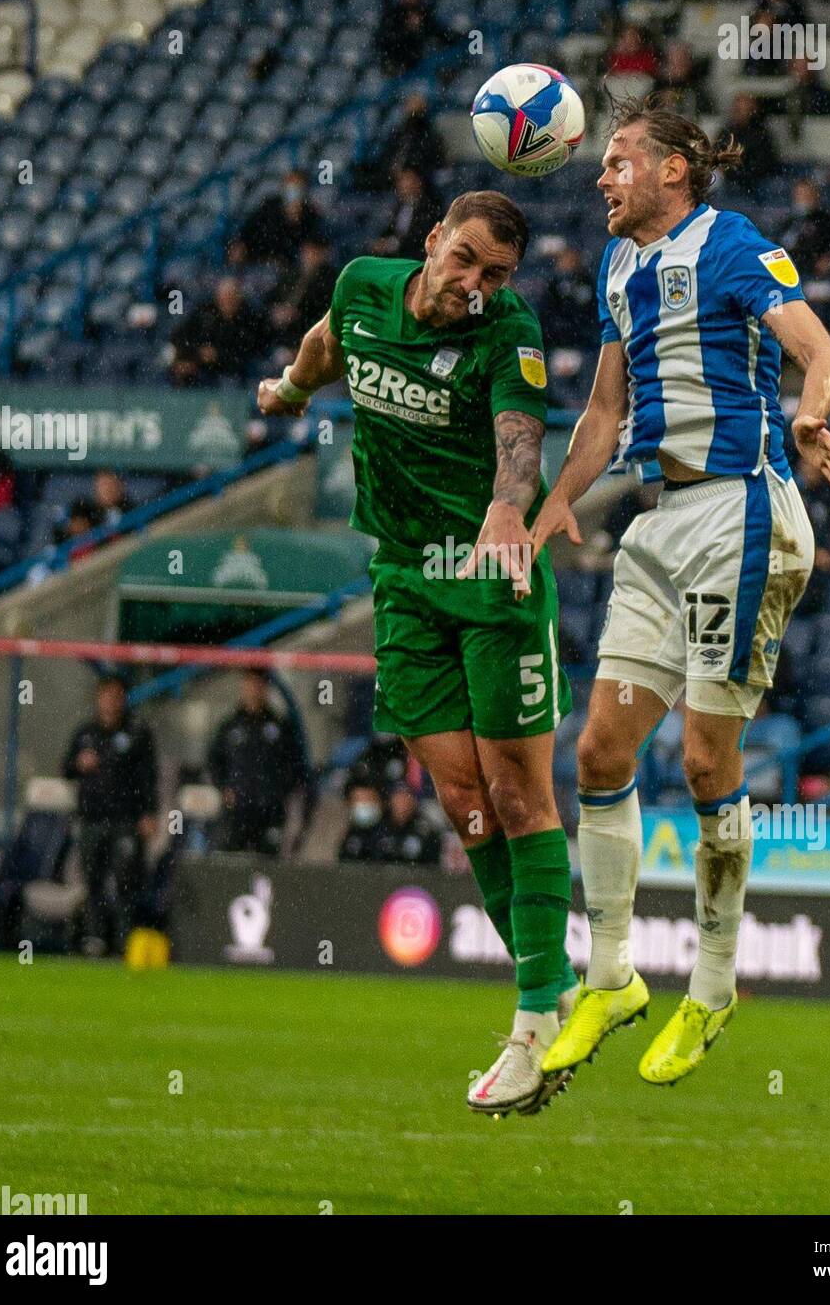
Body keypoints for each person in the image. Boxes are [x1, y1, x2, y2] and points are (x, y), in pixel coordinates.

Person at [529, 95, 830, 1089]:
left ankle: (712, 986)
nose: (601, 175)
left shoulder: (731, 243)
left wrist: (809, 417)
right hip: (662, 520)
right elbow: (602, 410)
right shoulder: (620, 271)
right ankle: (614, 975)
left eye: (620, 159)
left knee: (706, 757)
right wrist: (550, 504)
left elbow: (821, 350)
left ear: (674, 171)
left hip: (743, 513)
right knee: (596, 748)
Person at [257, 190, 578, 1116]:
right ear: (432, 241)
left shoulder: (506, 330)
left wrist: (510, 508)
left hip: (491, 572)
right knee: (462, 801)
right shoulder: (362, 287)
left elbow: (522, 436)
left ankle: (531, 1026)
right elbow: (325, 346)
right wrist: (289, 386)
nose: (477, 285)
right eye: (467, 260)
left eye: (497, 275)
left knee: (519, 794)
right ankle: (551, 983)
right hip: (404, 575)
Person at [63, 676, 157, 957]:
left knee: (126, 880)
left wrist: (149, 813)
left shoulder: (138, 733)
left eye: (116, 696)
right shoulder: (85, 733)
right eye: (106, 695)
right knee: (92, 881)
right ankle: (95, 938)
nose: (111, 701)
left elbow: (148, 777)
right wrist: (79, 763)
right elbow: (66, 768)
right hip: (92, 819)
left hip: (125, 821)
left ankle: (125, 940)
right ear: (98, 698)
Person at [207, 669, 310, 855]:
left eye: (257, 685)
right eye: (249, 684)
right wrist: (224, 788)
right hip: (237, 810)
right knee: (229, 861)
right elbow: (214, 762)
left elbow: (295, 765)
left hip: (270, 812)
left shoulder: (280, 727)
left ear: (265, 688)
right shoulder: (230, 726)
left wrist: (278, 792)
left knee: (268, 864)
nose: (253, 690)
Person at [169, 276, 270, 386]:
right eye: (224, 297)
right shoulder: (204, 312)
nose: (228, 301)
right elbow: (179, 336)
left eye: (232, 297)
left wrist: (217, 355)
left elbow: (249, 352)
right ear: (217, 297)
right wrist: (193, 357)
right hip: (201, 368)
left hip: (236, 371)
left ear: (239, 298)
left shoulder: (250, 317)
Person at [227, 170, 327, 269]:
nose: (293, 196)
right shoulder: (270, 206)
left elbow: (314, 247)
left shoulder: (310, 215)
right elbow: (247, 230)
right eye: (290, 191)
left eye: (298, 191)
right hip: (258, 261)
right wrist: (240, 244)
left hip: (288, 269)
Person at [371, 168, 442, 261]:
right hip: (395, 255)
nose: (402, 185)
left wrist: (391, 244)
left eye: (407, 180)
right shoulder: (398, 206)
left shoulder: (429, 207)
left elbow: (420, 238)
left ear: (418, 181)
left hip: (414, 257)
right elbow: (389, 228)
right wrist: (381, 241)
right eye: (400, 181)